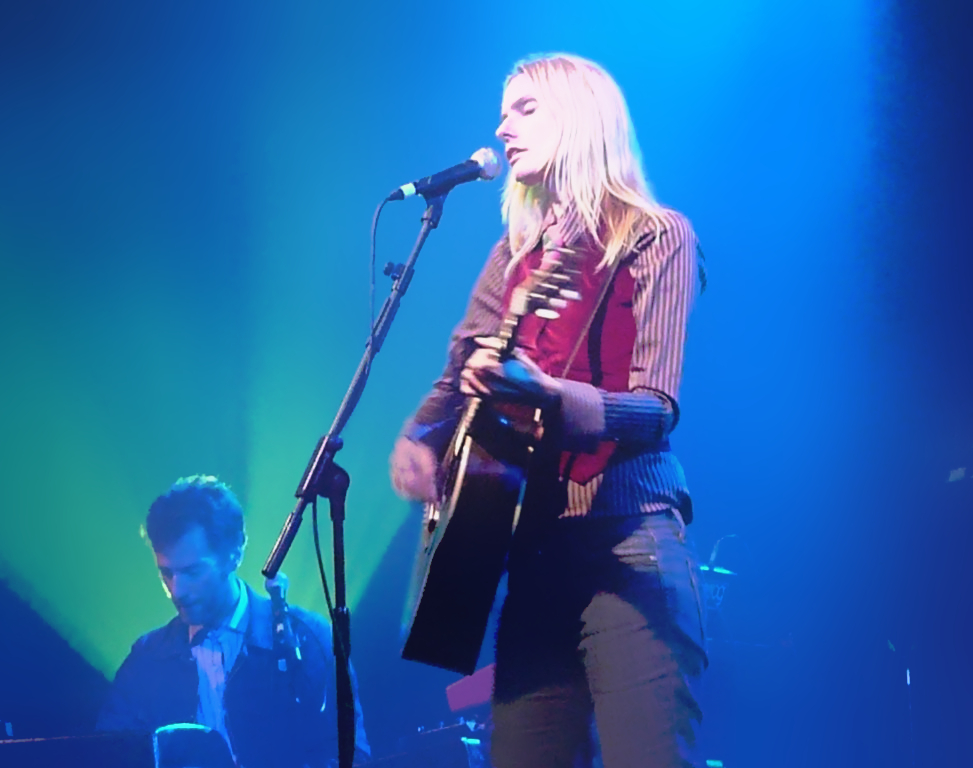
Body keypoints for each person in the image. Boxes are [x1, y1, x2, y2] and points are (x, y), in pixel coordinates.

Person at [390, 53, 708, 768]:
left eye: (524, 110)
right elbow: (453, 378)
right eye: (502, 112)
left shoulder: (658, 236)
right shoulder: (512, 255)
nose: (502, 129)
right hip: (529, 553)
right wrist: (419, 439)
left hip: (628, 543)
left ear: (581, 118)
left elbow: (657, 409)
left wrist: (552, 398)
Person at [97, 475, 371, 768]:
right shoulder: (146, 659)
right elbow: (110, 755)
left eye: (192, 572)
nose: (177, 591)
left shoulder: (308, 638)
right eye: (166, 573)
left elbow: (351, 755)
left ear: (235, 552)